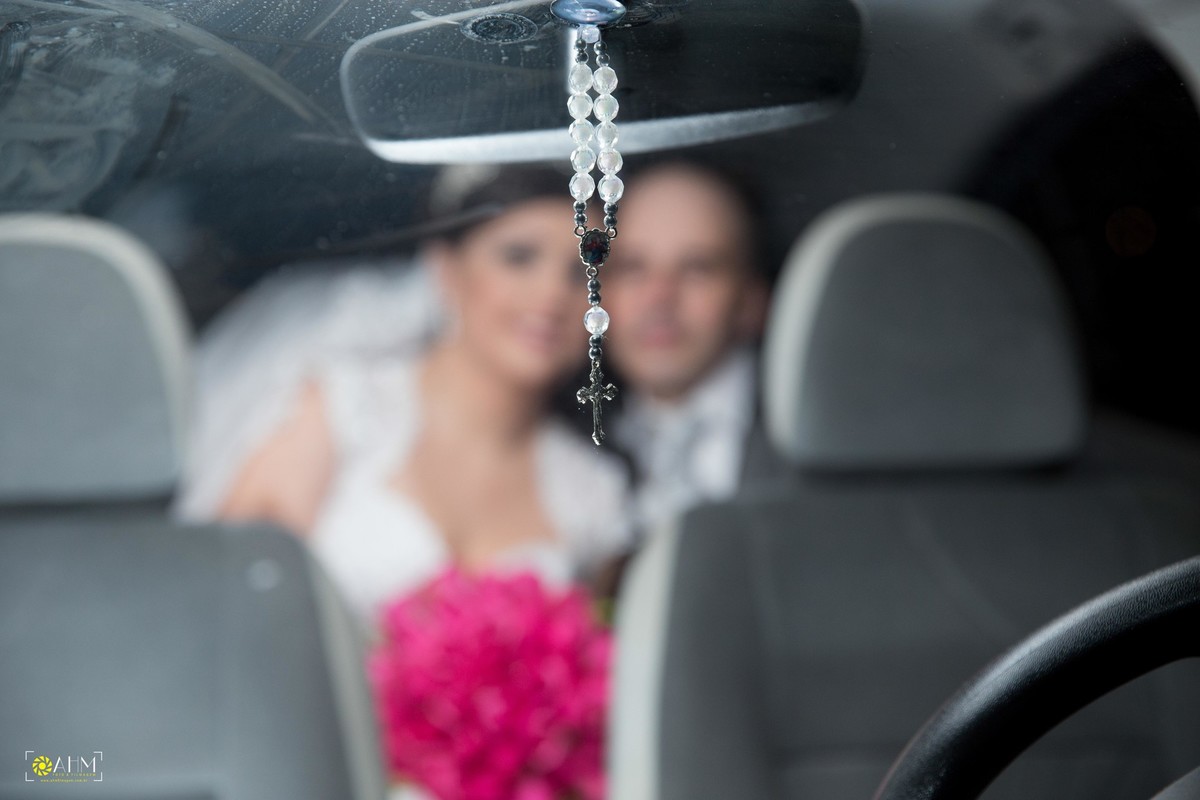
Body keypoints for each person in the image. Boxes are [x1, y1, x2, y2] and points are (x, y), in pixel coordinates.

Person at [176, 165, 631, 628]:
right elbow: (230, 602)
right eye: (519, 257)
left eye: (581, 273)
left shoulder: (594, 493)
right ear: (446, 268)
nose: (552, 294)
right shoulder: (342, 406)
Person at [602, 161, 774, 530]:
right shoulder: (568, 433)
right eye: (631, 267)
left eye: (698, 268)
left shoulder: (817, 433)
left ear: (752, 299)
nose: (659, 297)